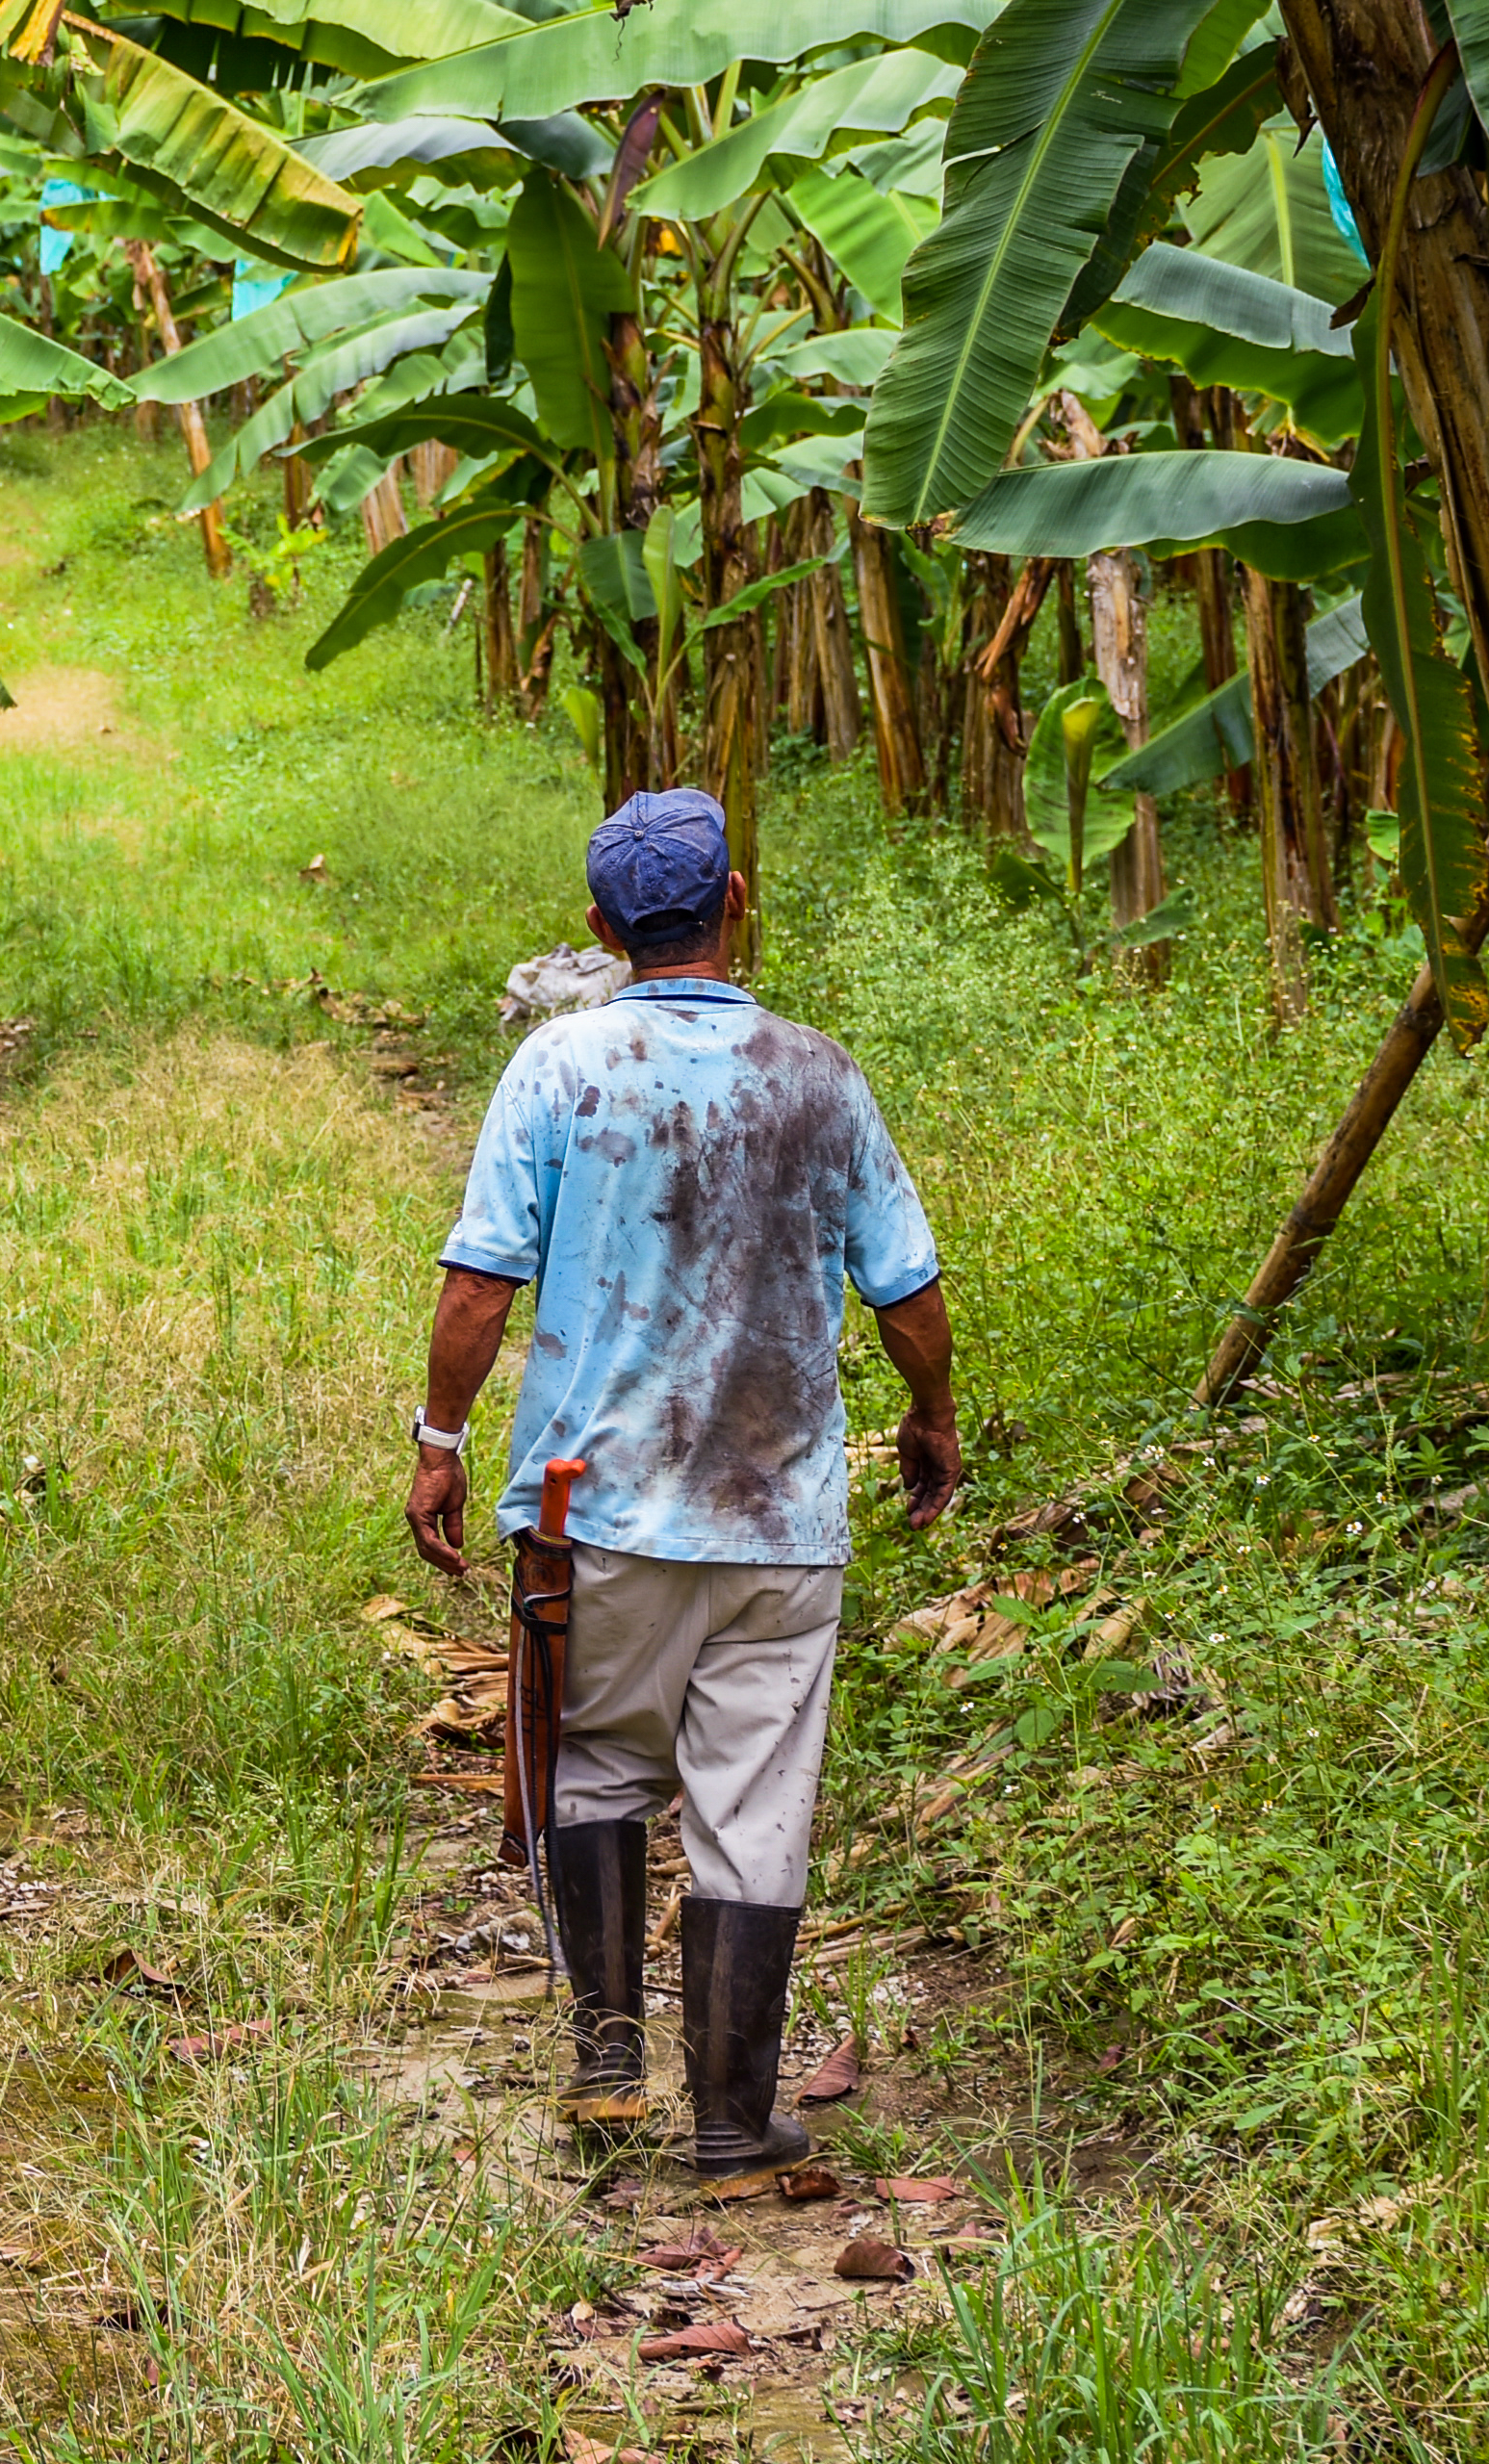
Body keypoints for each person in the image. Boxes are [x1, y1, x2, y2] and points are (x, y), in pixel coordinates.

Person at [405, 787, 959, 2177]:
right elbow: (906, 1291)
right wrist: (935, 1415)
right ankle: (729, 2116)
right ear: (736, 908)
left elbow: (481, 1283)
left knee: (592, 1759)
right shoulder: (821, 1074)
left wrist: (442, 1442)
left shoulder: (556, 1068)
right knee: (755, 1799)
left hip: (595, 1510)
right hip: (779, 1516)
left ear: (602, 930)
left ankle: (605, 2052)